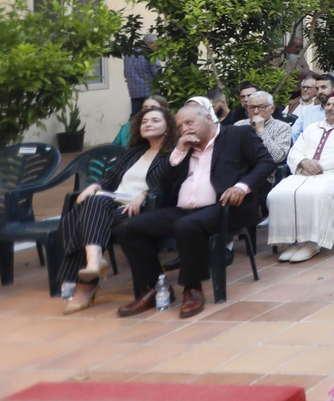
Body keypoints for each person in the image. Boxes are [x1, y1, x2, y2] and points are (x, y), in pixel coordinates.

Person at [112, 101, 276, 318]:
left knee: (186, 226)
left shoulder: (238, 135)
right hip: (183, 209)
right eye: (180, 126)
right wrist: (179, 151)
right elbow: (165, 185)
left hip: (224, 207)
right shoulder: (182, 146)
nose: (185, 129)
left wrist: (241, 187)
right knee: (127, 228)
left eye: (189, 122)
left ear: (208, 118)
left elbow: (266, 163)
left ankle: (192, 289)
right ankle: (154, 287)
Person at [59, 106, 178, 314]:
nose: (148, 124)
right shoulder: (135, 151)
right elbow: (112, 175)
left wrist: (144, 195)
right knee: (93, 201)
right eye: (144, 121)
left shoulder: (173, 154)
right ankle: (94, 260)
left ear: (168, 127)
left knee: (79, 217)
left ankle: (87, 283)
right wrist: (95, 185)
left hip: (141, 208)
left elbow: (170, 183)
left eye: (155, 120)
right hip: (113, 202)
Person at [265, 92, 334, 263]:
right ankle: (294, 240)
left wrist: (318, 166)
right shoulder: (313, 127)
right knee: (276, 194)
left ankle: (314, 242)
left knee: (315, 194)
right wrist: (303, 162)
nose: (330, 108)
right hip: (304, 172)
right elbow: (295, 150)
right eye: (328, 104)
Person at [234, 89, 293, 169]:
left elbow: (277, 158)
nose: (255, 111)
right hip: (238, 169)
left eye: (261, 107)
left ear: (272, 109)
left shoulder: (282, 127)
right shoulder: (238, 125)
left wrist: (261, 131)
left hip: (264, 171)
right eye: (251, 107)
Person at [122, 34, 159, 117]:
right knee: (151, 115)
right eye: (157, 45)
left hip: (134, 92)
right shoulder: (150, 55)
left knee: (136, 116)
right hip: (149, 91)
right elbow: (158, 73)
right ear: (151, 43)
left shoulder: (128, 54)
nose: (157, 47)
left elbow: (125, 74)